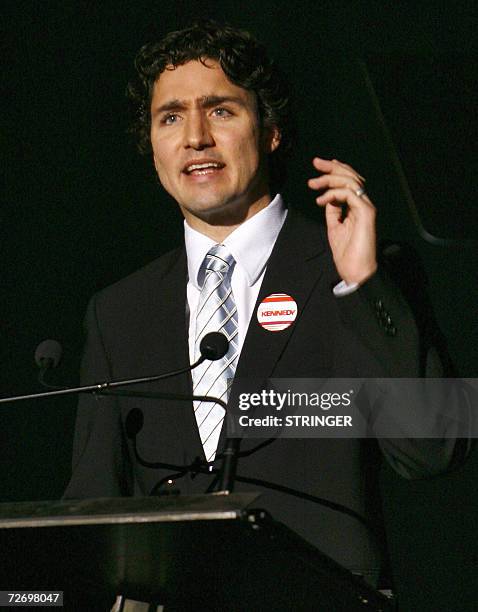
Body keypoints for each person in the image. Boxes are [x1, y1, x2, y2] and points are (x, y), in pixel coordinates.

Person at [64, 21, 465, 591]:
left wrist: (363, 286)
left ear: (270, 130)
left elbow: (435, 450)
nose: (195, 137)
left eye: (221, 110)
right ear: (151, 142)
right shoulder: (117, 311)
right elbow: (88, 509)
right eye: (171, 116)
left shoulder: (357, 269)